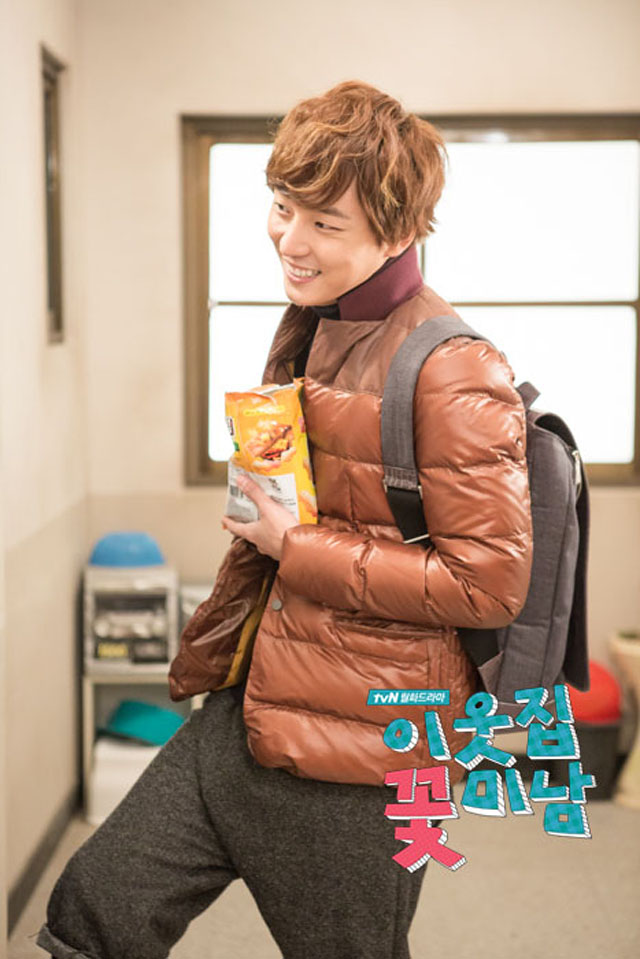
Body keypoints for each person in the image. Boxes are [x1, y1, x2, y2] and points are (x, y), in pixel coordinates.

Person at [37, 80, 533, 959]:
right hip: (248, 709)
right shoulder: (316, 320)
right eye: (281, 206)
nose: (289, 240)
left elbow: (488, 585)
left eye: (324, 223)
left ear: (397, 232)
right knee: (92, 910)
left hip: (363, 753)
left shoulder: (455, 369)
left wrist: (293, 544)